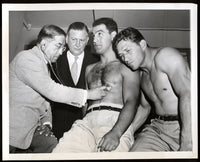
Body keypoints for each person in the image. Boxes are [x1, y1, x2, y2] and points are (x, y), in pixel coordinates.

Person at [9, 24, 109, 153]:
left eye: (63, 47)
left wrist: (46, 123)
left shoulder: (43, 65)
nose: (62, 51)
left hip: (32, 129)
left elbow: (43, 101)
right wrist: (88, 95)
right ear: (44, 44)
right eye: (59, 46)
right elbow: (51, 90)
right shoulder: (27, 58)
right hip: (12, 128)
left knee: (54, 148)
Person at [52, 18, 140, 153]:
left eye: (100, 34)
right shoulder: (89, 68)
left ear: (113, 36)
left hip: (114, 120)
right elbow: (85, 103)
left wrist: (116, 132)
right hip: (87, 121)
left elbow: (132, 101)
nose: (94, 39)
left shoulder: (126, 66)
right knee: (60, 152)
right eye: (94, 35)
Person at [112, 27, 192, 151]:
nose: (125, 59)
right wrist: (123, 133)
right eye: (121, 56)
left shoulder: (165, 56)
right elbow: (145, 108)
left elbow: (188, 93)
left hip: (184, 125)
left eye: (128, 51)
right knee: (134, 155)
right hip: (157, 128)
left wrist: (187, 142)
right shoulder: (142, 75)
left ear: (142, 44)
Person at [51, 22, 99, 139]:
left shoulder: (96, 62)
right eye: (74, 39)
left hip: (86, 127)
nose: (77, 44)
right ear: (66, 39)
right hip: (57, 125)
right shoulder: (53, 60)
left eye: (81, 40)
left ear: (87, 40)